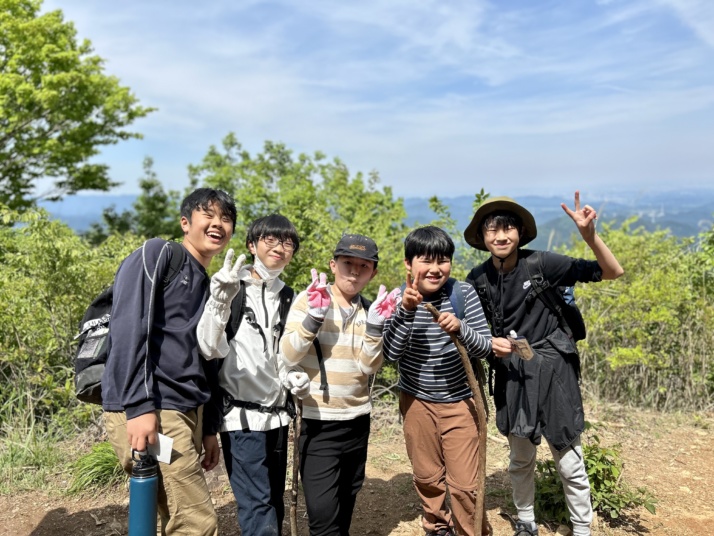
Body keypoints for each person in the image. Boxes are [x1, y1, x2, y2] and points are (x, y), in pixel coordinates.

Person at [463, 192, 624, 536]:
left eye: (507, 228)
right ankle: (525, 522)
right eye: (492, 230)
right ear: (483, 237)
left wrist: (589, 236)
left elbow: (612, 271)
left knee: (568, 458)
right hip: (513, 375)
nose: (500, 236)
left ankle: (582, 528)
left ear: (520, 232)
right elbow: (473, 330)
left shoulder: (541, 264)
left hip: (554, 371)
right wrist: (492, 345)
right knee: (520, 458)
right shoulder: (477, 279)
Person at [101, 188, 237, 536]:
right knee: (196, 522)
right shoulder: (159, 254)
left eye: (226, 219)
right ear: (185, 222)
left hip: (185, 411)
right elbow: (129, 326)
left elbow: (208, 360)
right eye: (209, 215)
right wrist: (139, 405)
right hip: (156, 408)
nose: (218, 224)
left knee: (172, 513)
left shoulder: (210, 284)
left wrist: (209, 428)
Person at [280, 233, 400, 536]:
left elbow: (368, 367)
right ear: (333, 265)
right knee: (323, 516)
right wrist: (312, 320)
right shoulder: (312, 298)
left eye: (364, 266)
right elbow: (288, 354)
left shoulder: (369, 309)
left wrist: (375, 328)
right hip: (318, 422)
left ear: (373, 272)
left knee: (346, 503)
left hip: (358, 420)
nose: (355, 272)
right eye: (348, 263)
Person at [197, 214, 308, 536]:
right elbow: (208, 347)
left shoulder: (290, 296)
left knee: (274, 498)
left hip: (278, 417)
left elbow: (286, 354)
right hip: (240, 416)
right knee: (257, 506)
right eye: (270, 240)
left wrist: (294, 376)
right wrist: (220, 300)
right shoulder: (231, 287)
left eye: (287, 242)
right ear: (252, 245)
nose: (280, 248)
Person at [382, 226, 493, 536]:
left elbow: (485, 348)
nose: (435, 269)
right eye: (425, 260)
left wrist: (460, 328)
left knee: (464, 484)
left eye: (442, 260)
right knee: (427, 477)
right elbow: (390, 354)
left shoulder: (462, 293)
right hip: (416, 401)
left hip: (461, 402)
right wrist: (405, 311)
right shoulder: (397, 299)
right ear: (408, 264)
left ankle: (470, 531)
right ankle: (437, 527)